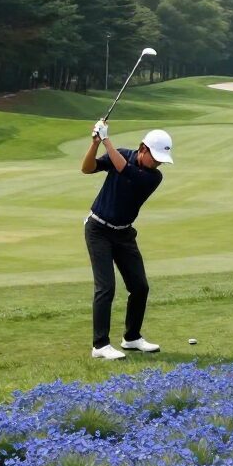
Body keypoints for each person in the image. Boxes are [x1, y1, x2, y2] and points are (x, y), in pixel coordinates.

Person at [81, 120, 173, 359]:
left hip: (124, 234)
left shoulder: (154, 177)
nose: (157, 163)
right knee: (106, 288)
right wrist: (95, 144)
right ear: (142, 148)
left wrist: (106, 139)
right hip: (98, 229)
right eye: (154, 157)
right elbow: (87, 168)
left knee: (140, 286)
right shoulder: (121, 154)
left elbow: (126, 171)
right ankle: (100, 345)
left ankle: (131, 338)